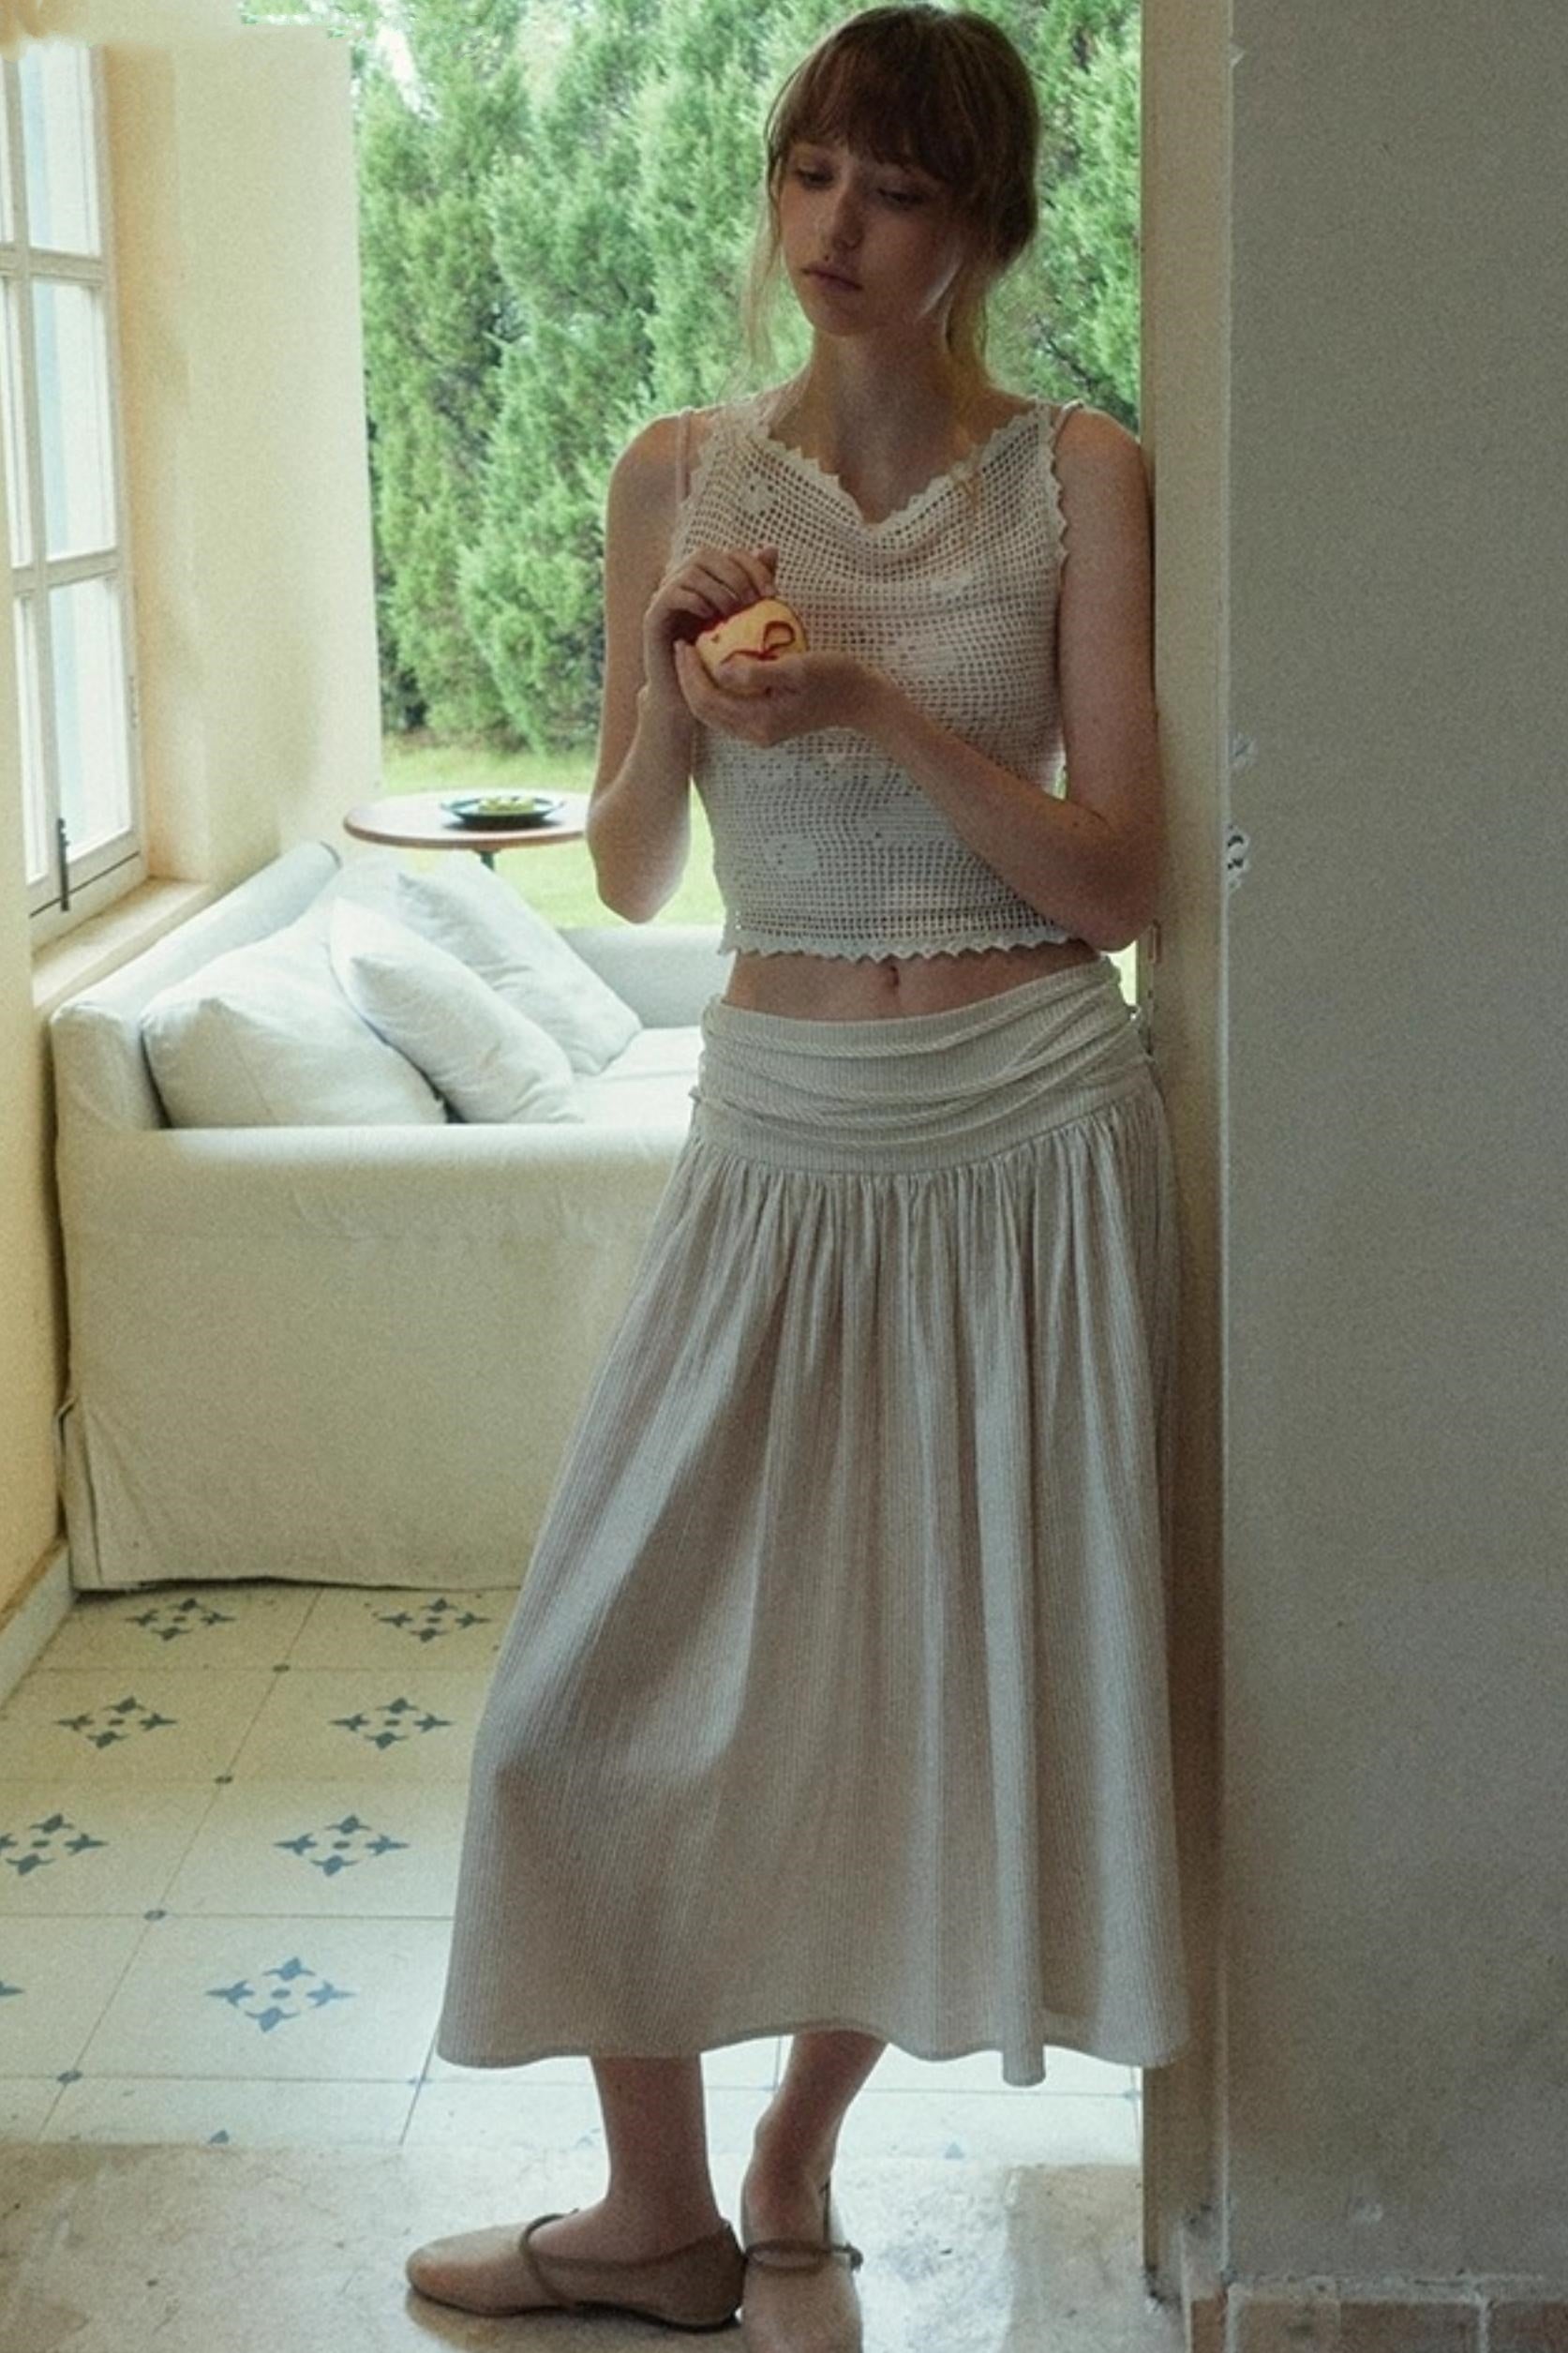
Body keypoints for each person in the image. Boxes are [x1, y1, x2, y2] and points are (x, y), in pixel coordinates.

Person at [406, 7, 1188, 2346]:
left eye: (900, 189)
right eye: (813, 172)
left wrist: (865, 701)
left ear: (983, 232)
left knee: (925, 1710)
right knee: (577, 1710)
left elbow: (1117, 877)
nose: (838, 226)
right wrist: (668, 692)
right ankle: (652, 2213)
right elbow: (639, 870)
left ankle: (786, 2161)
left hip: (1023, 1141)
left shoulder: (1081, 475)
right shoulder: (677, 471)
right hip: (775, 1148)